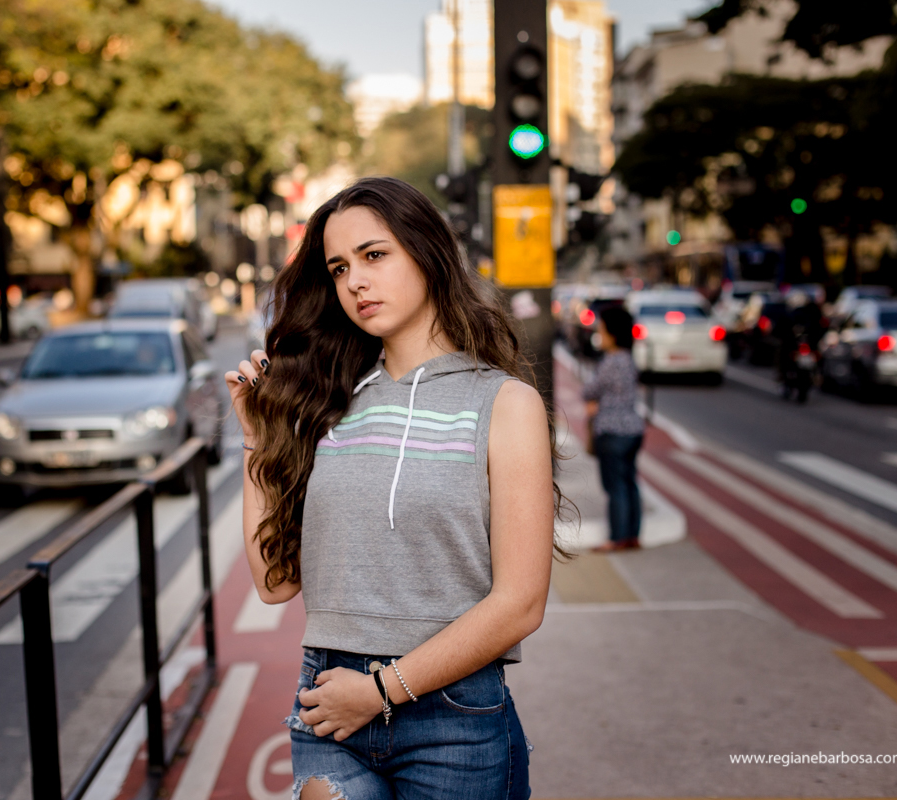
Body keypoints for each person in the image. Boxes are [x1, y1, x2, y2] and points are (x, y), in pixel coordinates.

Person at [225, 177, 567, 800]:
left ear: (427, 253)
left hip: (452, 719)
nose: (355, 280)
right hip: (329, 703)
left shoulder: (503, 403)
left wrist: (382, 690)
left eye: (374, 255)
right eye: (338, 267)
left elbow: (521, 602)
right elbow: (275, 584)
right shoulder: (325, 402)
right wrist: (256, 439)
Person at [582, 306, 645, 552]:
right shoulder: (629, 359)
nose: (600, 333)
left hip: (612, 430)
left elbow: (588, 391)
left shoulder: (610, 362)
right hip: (633, 430)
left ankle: (617, 538)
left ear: (612, 333)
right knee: (630, 483)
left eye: (602, 328)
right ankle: (632, 535)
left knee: (615, 486)